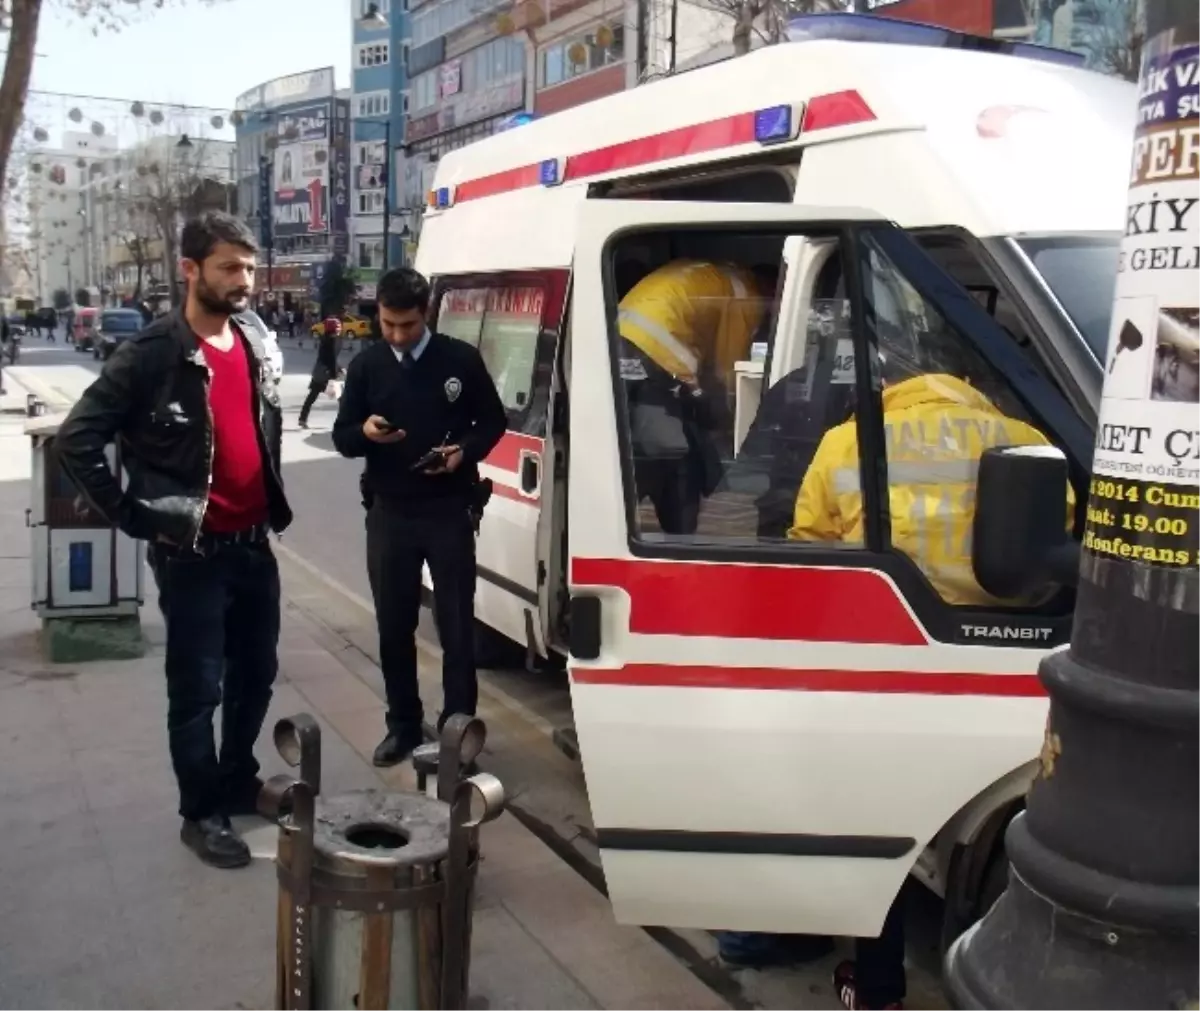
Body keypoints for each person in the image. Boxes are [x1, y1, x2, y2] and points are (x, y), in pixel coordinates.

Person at [784, 347, 1063, 1010]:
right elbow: (1061, 543)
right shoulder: (1029, 441)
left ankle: (877, 990)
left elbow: (807, 554)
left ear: (890, 386)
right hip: (1003, 665)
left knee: (868, 828)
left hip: (880, 666)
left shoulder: (846, 441)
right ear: (969, 382)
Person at [55, 211, 292, 870]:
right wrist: (132, 515)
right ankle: (201, 811)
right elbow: (78, 438)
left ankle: (237, 778)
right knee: (198, 688)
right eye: (228, 268)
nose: (243, 281)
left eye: (249, 267)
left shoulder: (250, 336)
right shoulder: (153, 352)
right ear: (189, 270)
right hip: (191, 553)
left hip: (253, 544)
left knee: (257, 673)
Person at [333, 267, 506, 766]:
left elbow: (492, 420)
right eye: (387, 324)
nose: (396, 335)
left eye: (406, 325)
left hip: (449, 510)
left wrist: (464, 452)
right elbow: (344, 437)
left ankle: (458, 735)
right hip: (390, 515)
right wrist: (365, 432)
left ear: (425, 313)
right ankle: (403, 726)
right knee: (393, 627)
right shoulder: (367, 367)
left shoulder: (459, 359)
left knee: (455, 628)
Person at [617, 260, 772, 534]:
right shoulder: (748, 297)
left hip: (622, 331)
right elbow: (729, 362)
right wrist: (727, 413)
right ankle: (678, 521)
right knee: (685, 416)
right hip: (659, 339)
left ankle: (632, 505)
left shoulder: (721, 278)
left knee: (640, 419)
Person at [299, 316, 343, 429]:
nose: (339, 329)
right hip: (326, 374)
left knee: (312, 396)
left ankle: (302, 418)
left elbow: (329, 358)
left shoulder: (325, 339)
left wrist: (339, 368)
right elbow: (331, 359)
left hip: (320, 372)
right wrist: (335, 374)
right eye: (337, 327)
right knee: (341, 398)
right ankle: (347, 421)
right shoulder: (333, 341)